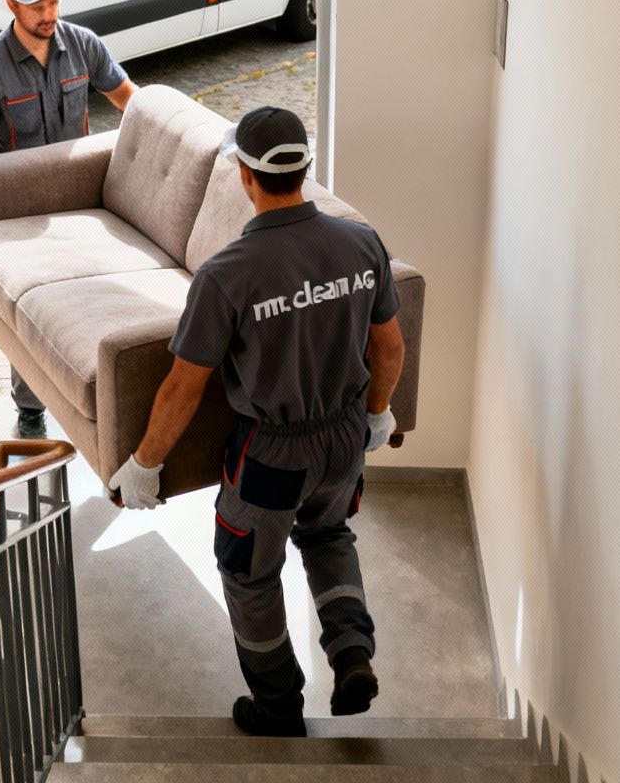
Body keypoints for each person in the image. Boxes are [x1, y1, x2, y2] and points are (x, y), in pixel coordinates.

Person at [108, 106, 405, 738]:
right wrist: (377, 414)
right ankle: (351, 653)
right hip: (346, 436)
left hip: (272, 455)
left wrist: (144, 465)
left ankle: (276, 704)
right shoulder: (362, 242)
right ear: (304, 166)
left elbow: (183, 388)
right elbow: (390, 348)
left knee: (248, 569)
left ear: (245, 175)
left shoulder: (228, 274)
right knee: (328, 538)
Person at [0, 0, 138, 436]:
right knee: (29, 313)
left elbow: (131, 102)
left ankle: (96, 394)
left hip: (81, 204)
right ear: (11, 4)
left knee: (92, 299)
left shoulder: (83, 45)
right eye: (38, 5)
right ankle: (31, 409)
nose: (49, 13)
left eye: (55, 1)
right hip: (21, 212)